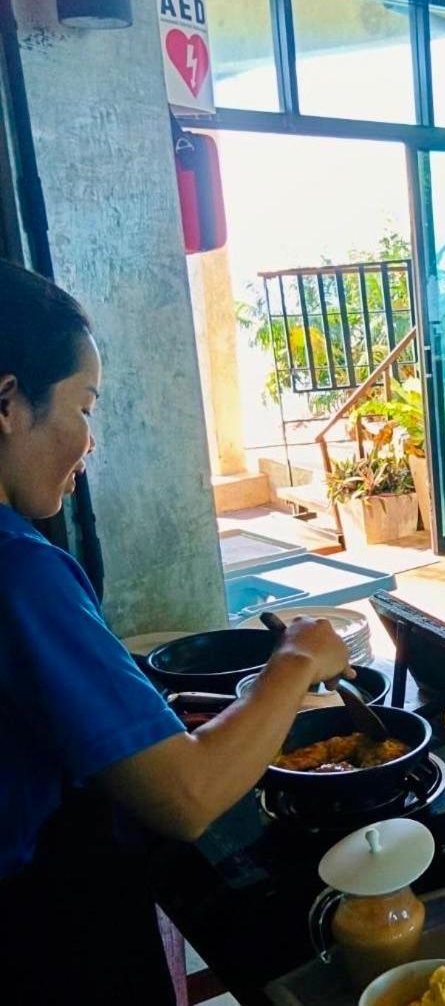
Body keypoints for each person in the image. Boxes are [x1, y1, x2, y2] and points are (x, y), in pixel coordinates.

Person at [0, 262, 354, 1002]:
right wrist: (293, 662)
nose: (88, 443)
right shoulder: (19, 570)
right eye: (84, 407)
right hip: (41, 938)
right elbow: (186, 797)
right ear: (7, 403)